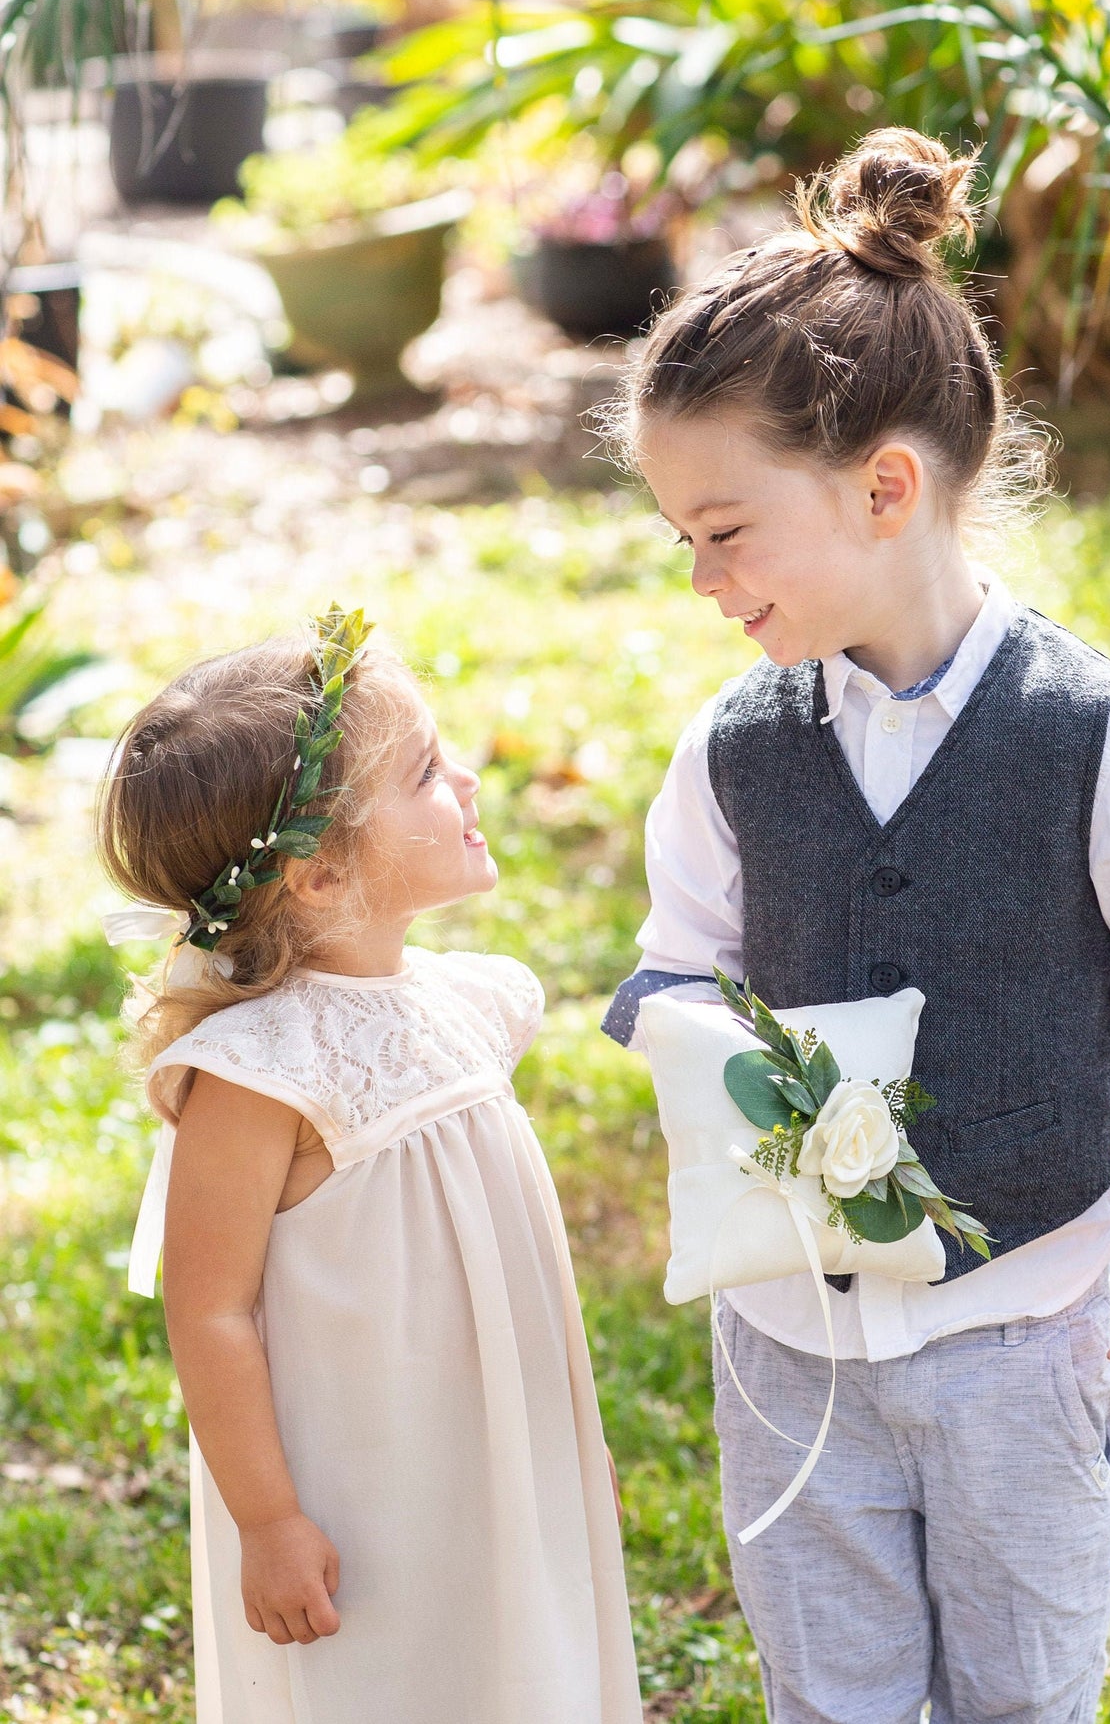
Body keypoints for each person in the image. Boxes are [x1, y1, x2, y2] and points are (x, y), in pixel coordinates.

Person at [601, 130, 1110, 1723]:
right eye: (684, 542)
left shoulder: (1091, 727)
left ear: (882, 485)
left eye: (726, 531)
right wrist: (725, 1059)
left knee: (1021, 1688)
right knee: (831, 1692)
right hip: (789, 1347)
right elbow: (679, 970)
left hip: (1022, 1329)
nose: (705, 580)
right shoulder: (734, 744)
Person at [100, 608, 642, 1724]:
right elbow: (211, 1309)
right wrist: (269, 1520)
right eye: (427, 773)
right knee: (400, 1674)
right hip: (363, 1476)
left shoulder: (464, 1001)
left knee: (514, 1654)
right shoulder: (258, 1072)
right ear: (316, 875)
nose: (470, 782)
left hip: (486, 1443)